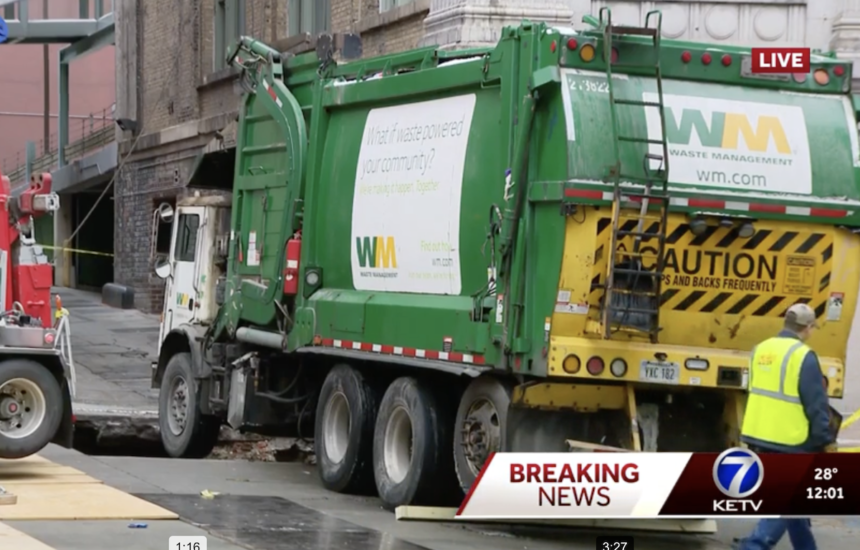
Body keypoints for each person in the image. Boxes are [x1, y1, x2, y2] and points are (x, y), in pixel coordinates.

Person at [733, 303, 835, 550]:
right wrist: (825, 440)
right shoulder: (803, 356)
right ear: (808, 328)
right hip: (791, 440)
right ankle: (755, 546)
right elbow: (816, 404)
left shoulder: (761, 349)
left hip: (759, 434)